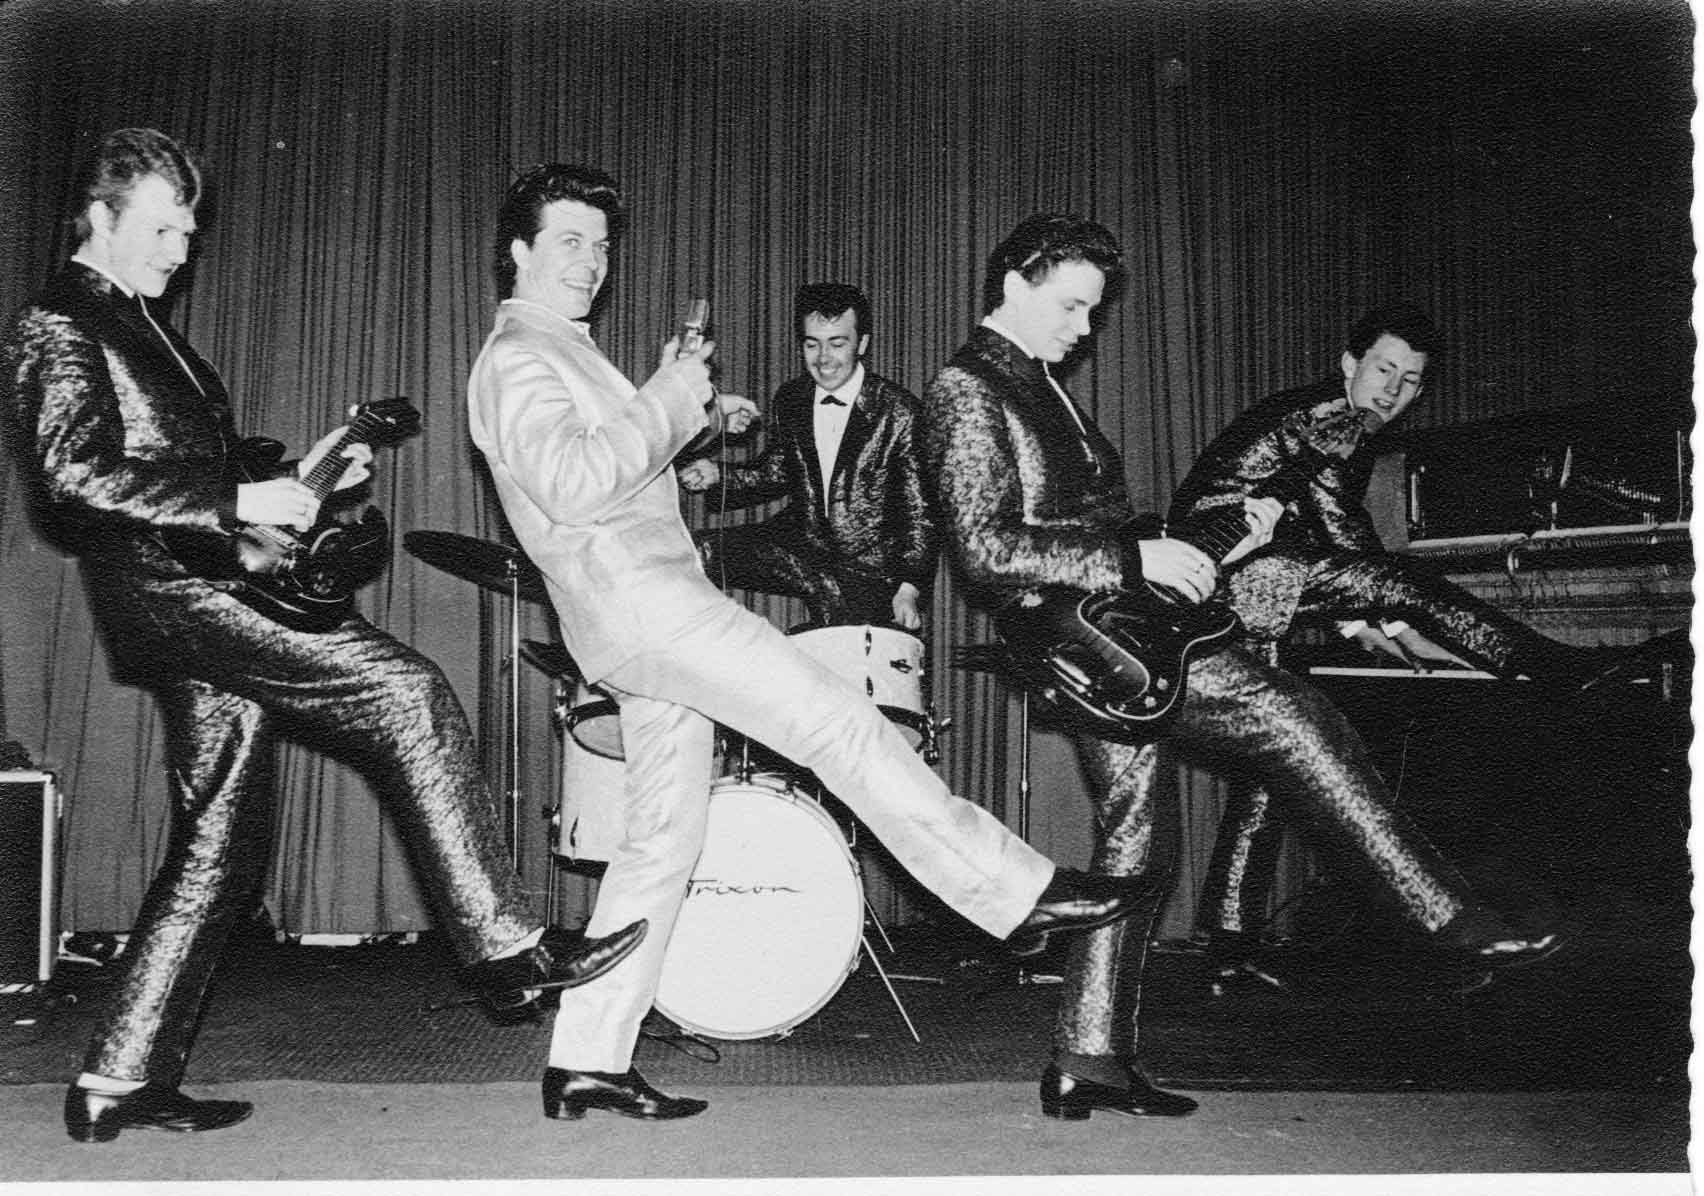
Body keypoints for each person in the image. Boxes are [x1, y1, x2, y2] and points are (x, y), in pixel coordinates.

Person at [466, 165, 1155, 1123]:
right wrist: (669, 394)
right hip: (650, 609)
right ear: (519, 251)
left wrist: (687, 410)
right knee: (836, 720)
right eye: (570, 242)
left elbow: (612, 468)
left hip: (632, 619)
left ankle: (587, 1057)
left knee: (661, 840)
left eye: (603, 245)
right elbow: (575, 485)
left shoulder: (559, 350)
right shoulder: (516, 356)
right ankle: (1013, 893)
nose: (594, 262)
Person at [1, 129, 645, 1144]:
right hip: (178, 593)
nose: (180, 249)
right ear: (98, 216)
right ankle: (505, 946)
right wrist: (235, 499)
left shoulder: (143, 324)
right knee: (405, 692)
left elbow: (197, 461)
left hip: (195, 587)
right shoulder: (59, 321)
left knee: (218, 843)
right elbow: (70, 475)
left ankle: (117, 1078)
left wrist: (303, 473)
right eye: (161, 229)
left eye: (189, 231)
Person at [922, 213, 1564, 1122]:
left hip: (1115, 638)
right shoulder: (967, 388)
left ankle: (1088, 1058)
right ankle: (1445, 919)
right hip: (1088, 643)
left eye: (1094, 311)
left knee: (1139, 842)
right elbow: (987, 551)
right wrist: (1133, 559)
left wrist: (1215, 540)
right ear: (1014, 284)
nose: (1085, 327)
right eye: (1070, 306)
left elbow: (1088, 528)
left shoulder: (1039, 382)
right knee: (1294, 717)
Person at [1166, 304, 1642, 973]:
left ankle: (1229, 943)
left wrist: (1367, 623)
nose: (1392, 390)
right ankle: (1559, 670)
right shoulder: (1330, 420)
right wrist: (1391, 615)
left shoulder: (1337, 420)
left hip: (1247, 582)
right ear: (1349, 365)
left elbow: (1318, 532)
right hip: (1222, 571)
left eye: (1410, 380)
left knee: (1270, 760)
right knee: (1402, 579)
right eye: (1383, 369)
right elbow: (1343, 535)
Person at [677, 282, 938, 631]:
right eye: (812, 344)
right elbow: (777, 472)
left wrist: (909, 589)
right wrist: (718, 475)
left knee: (836, 644)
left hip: (869, 569)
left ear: (862, 344)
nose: (823, 358)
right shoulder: (791, 398)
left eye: (837, 344)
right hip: (802, 546)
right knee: (691, 552)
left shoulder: (901, 411)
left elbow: (920, 514)